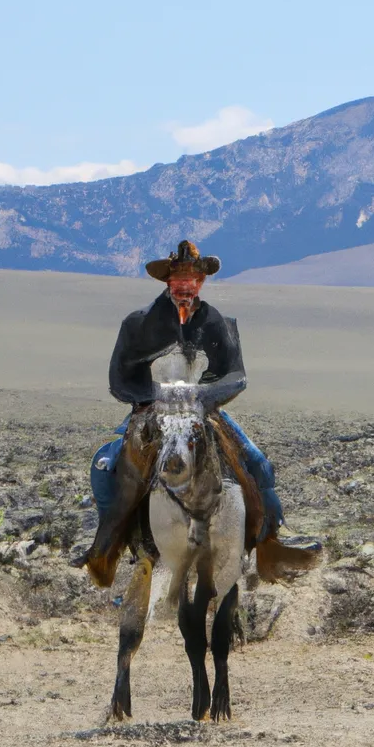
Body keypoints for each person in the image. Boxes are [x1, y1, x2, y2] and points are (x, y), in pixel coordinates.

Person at [80, 240, 284, 579]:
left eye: (193, 278)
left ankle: (270, 542)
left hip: (204, 412)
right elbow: (119, 379)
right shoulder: (138, 324)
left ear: (202, 282)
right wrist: (156, 393)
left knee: (259, 464)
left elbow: (236, 375)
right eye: (180, 279)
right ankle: (107, 547)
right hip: (150, 412)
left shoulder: (217, 322)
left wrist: (201, 395)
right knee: (105, 468)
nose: (186, 285)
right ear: (167, 282)